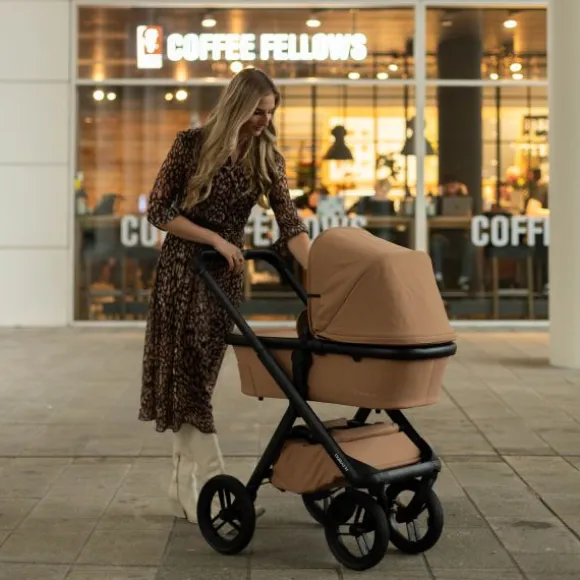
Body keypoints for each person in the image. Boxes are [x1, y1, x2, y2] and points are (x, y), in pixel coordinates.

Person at [138, 68, 311, 524]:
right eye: (257, 112)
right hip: (183, 272)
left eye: (270, 112)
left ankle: (181, 483)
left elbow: (290, 224)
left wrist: (322, 273)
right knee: (190, 379)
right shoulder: (191, 145)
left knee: (198, 380)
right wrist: (214, 238)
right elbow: (159, 210)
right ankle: (216, 485)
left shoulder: (266, 156)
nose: (264, 121)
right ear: (237, 106)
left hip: (222, 281)